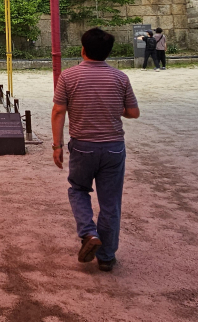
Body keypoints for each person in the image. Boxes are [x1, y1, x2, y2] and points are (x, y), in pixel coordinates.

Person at [52, 28, 140, 272]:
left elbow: (59, 111)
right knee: (110, 203)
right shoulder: (120, 78)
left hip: (83, 146)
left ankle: (89, 233)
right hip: (113, 148)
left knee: (78, 190)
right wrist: (114, 110)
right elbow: (133, 112)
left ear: (83, 50)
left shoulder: (68, 77)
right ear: (108, 53)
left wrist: (57, 145)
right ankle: (107, 256)